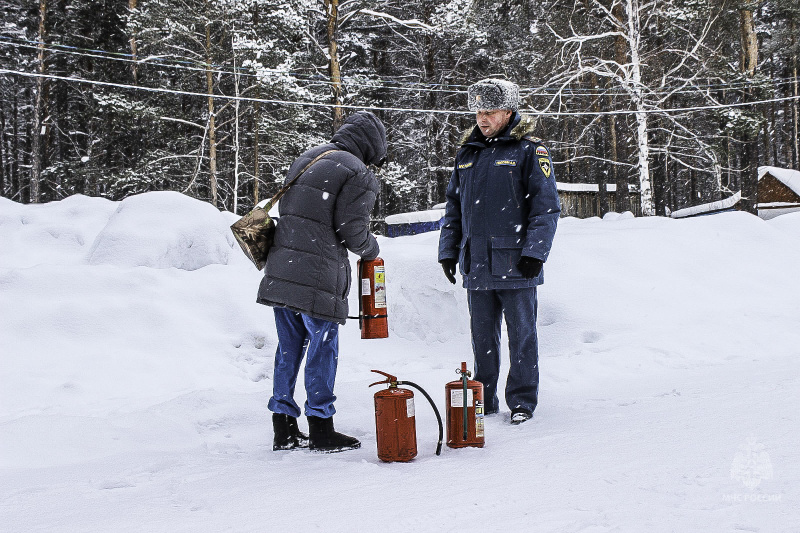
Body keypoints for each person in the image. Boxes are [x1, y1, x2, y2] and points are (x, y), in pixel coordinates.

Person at [257, 111, 387, 452]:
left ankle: (283, 427)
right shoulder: (359, 173)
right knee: (322, 348)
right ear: (372, 148)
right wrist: (372, 250)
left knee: (289, 348)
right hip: (316, 275)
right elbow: (352, 231)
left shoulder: (309, 156)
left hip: (282, 268)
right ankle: (321, 427)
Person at [438, 79, 560, 425]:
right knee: (482, 339)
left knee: (522, 336)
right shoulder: (467, 153)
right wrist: (448, 251)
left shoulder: (528, 151)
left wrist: (535, 252)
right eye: (478, 111)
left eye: (489, 111)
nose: (482, 118)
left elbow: (546, 208)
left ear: (508, 112)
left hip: (516, 263)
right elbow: (454, 208)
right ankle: (484, 398)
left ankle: (521, 401)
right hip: (476, 262)